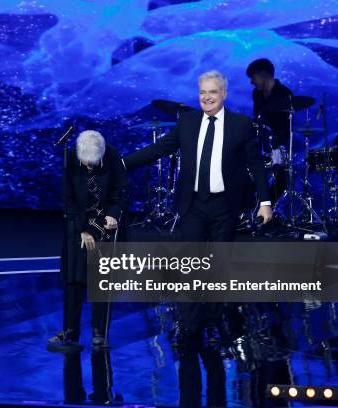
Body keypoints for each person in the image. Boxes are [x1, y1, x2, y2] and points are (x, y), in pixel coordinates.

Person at [123, 70, 272, 406]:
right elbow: (160, 148)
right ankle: (189, 329)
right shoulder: (188, 122)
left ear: (224, 93)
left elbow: (256, 165)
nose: (206, 97)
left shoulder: (240, 125)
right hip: (192, 205)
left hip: (224, 206)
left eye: (212, 92)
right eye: (202, 92)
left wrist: (265, 202)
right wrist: (121, 162)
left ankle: (214, 324)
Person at [47, 131, 129, 352]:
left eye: (93, 163)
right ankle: (70, 330)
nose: (89, 166)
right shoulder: (71, 157)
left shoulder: (112, 156)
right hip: (79, 226)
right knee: (74, 281)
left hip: (105, 225)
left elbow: (121, 192)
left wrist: (113, 214)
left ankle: (99, 333)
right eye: (86, 163)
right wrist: (81, 230)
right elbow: (68, 199)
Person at [246, 58, 293, 201]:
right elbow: (257, 119)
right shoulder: (257, 94)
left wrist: (275, 144)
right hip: (260, 143)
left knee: (281, 180)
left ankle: (268, 208)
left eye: (253, 78)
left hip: (278, 144)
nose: (251, 82)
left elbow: (285, 127)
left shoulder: (284, 93)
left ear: (264, 74)